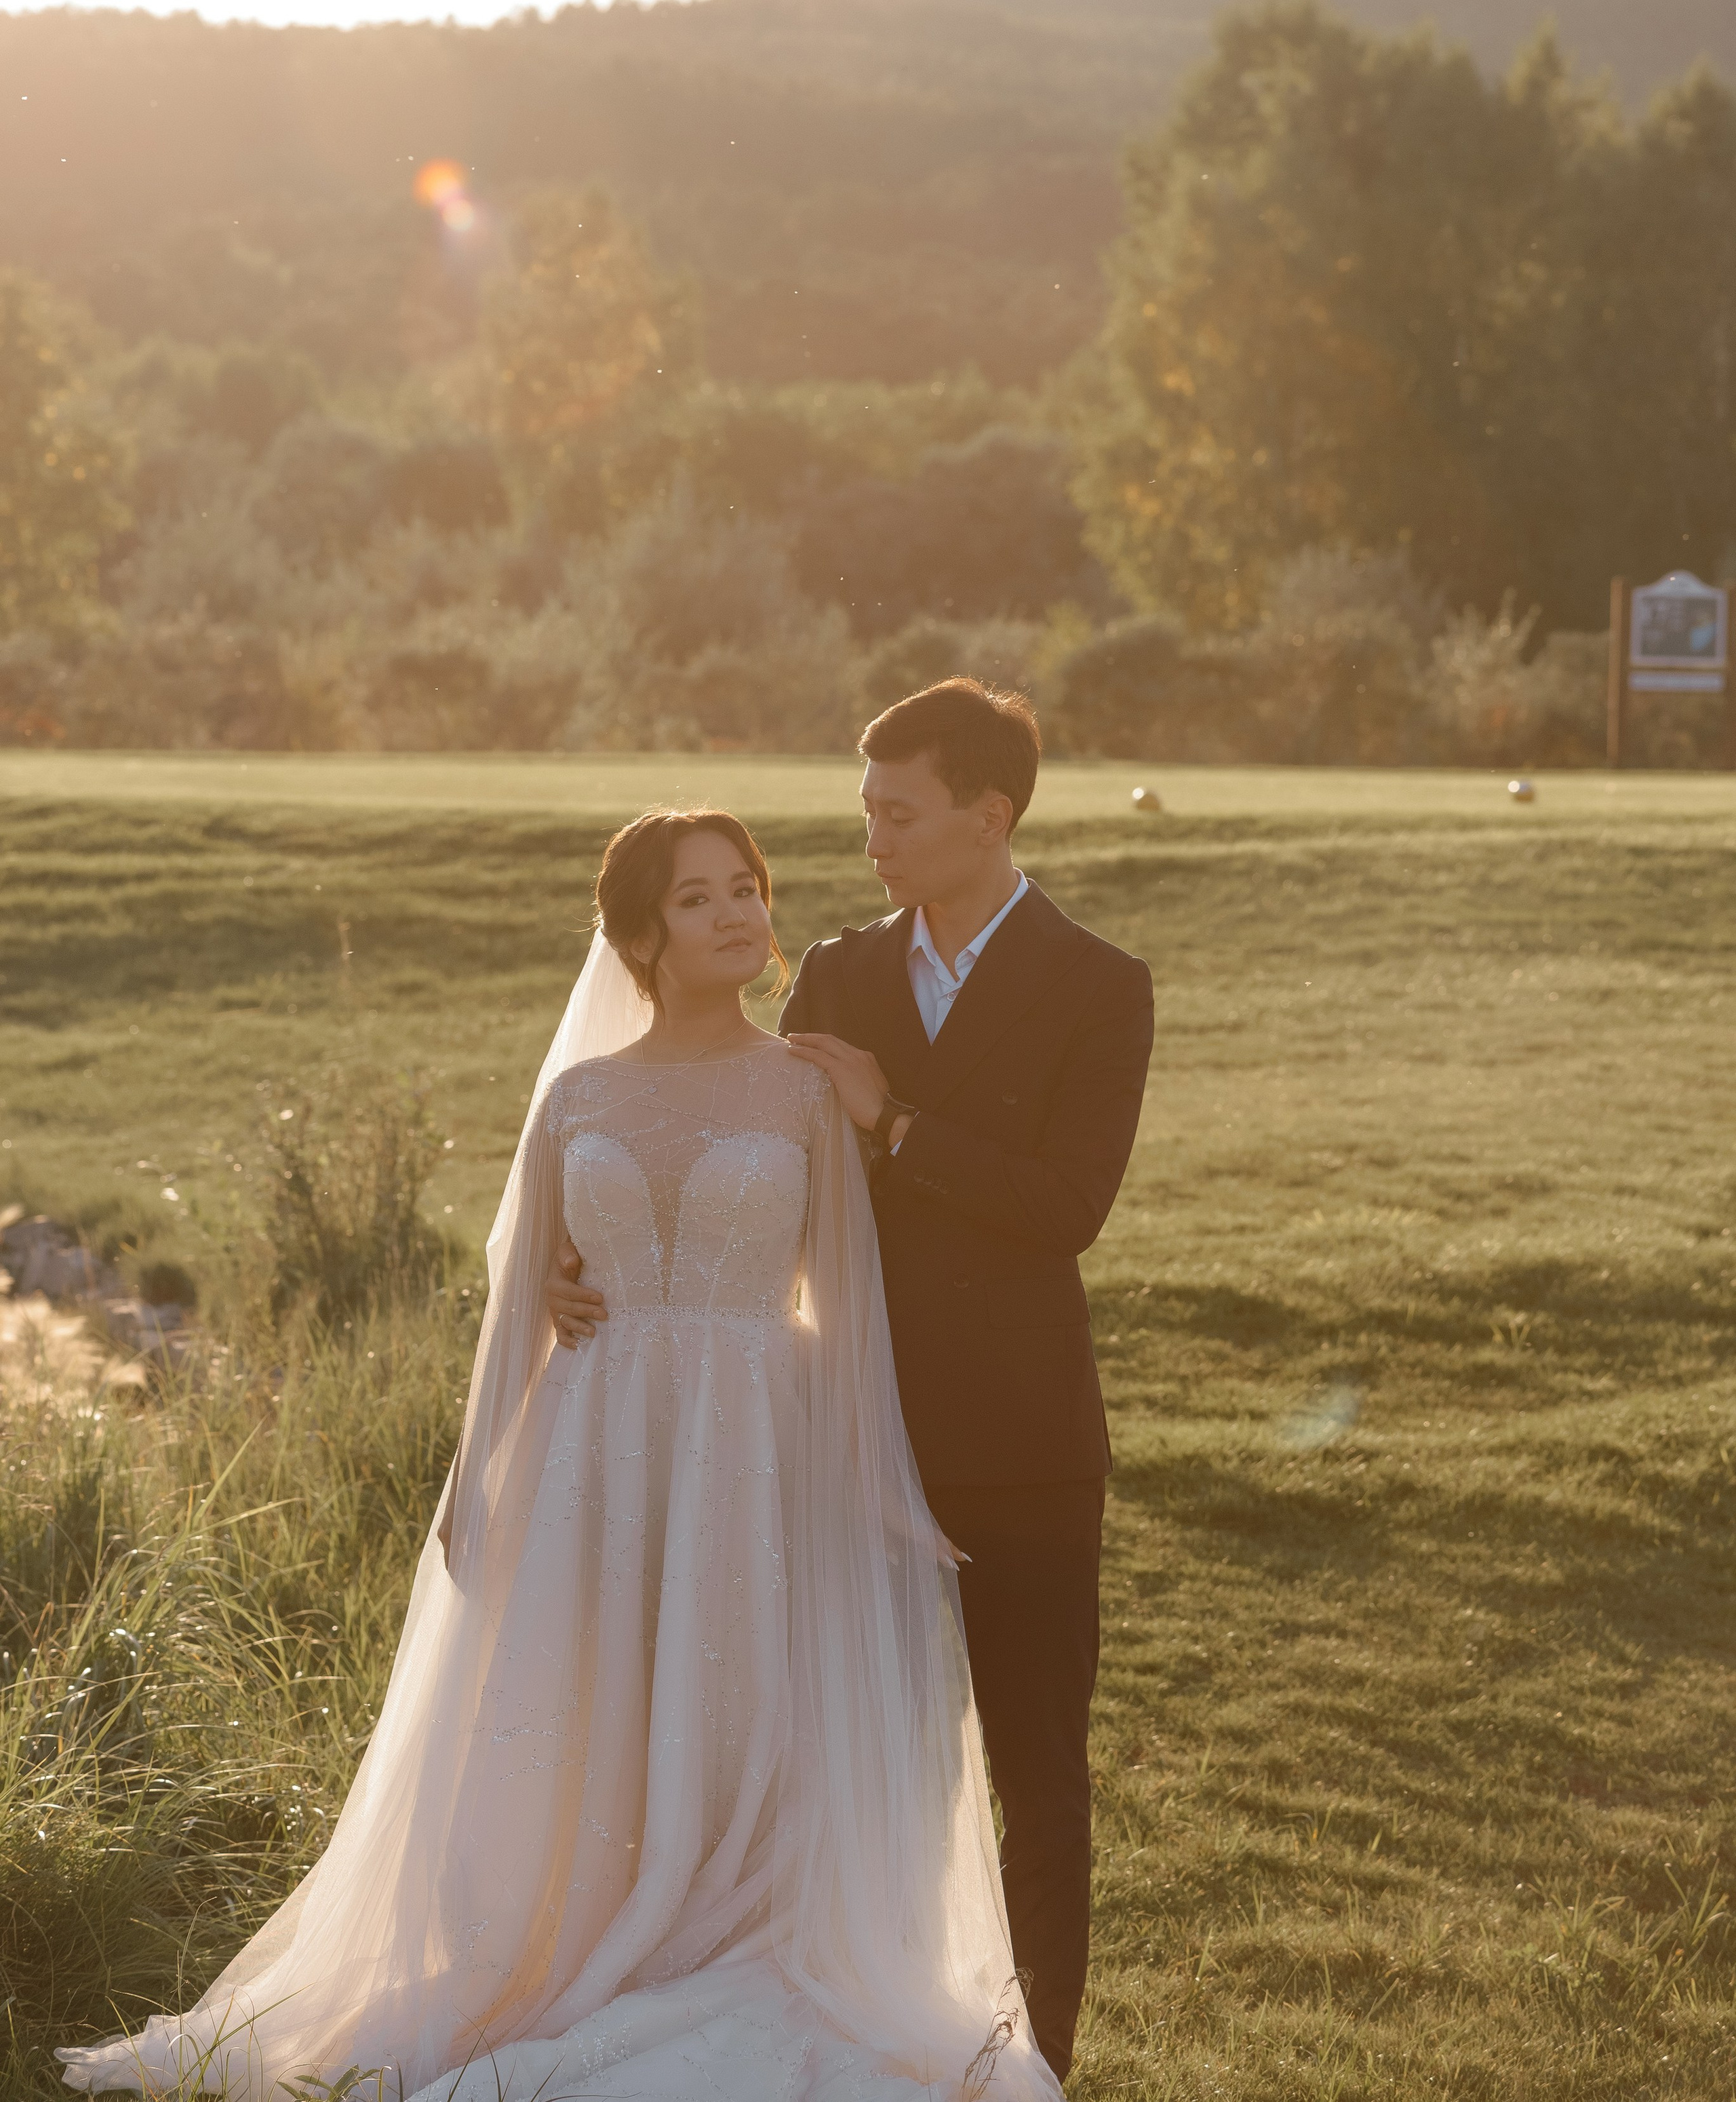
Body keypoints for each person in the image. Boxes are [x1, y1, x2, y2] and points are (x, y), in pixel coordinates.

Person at [59, 809, 1059, 2102]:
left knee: (734, 1692)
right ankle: (567, 1934)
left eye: (747, 888)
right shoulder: (578, 1097)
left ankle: (715, 1925)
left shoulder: (807, 1085)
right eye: (698, 898)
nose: (738, 913)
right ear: (640, 932)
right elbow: (520, 1302)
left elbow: (849, 1301)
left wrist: (871, 1483)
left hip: (755, 1432)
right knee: (597, 1698)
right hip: (597, 1435)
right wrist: (481, 1470)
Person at [779, 681, 1153, 2084]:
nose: (869, 836)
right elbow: (770, 1186)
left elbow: (1064, 1206)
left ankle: (1032, 2066)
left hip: (1023, 1452)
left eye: (896, 812)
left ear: (986, 819)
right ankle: (871, 2036)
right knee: (864, 1767)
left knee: (1036, 1780)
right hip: (851, 1434)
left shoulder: (1098, 984)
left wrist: (898, 1121)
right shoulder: (832, 970)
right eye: (864, 809)